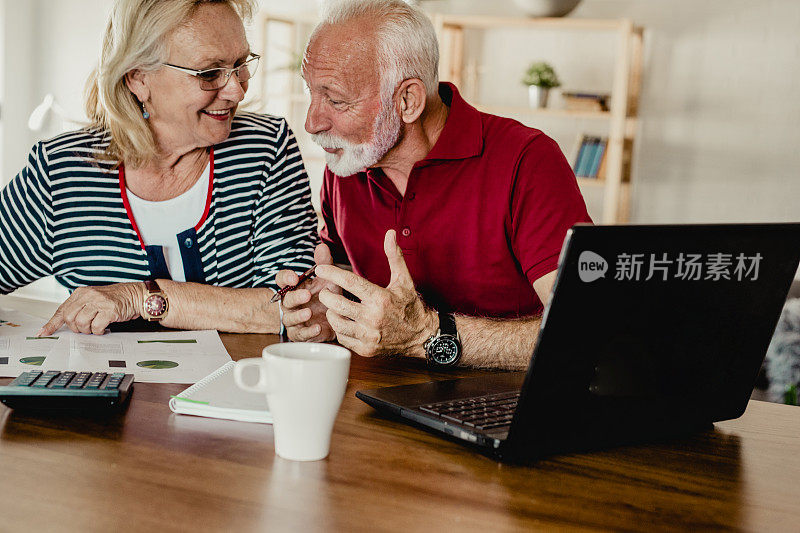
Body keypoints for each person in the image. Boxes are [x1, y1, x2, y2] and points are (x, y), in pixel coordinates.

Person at [277, 0, 592, 370]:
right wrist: (327, 310)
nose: (312, 122)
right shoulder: (347, 164)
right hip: (376, 405)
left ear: (407, 101)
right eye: (311, 92)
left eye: (336, 100)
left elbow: (585, 333)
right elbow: (344, 275)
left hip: (511, 411)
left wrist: (427, 335)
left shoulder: (527, 160)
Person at [0, 0, 317, 336]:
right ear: (138, 78)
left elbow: (299, 308)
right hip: (112, 388)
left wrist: (142, 297)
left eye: (240, 64)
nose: (236, 89)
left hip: (242, 385)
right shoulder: (61, 173)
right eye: (209, 73)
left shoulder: (266, 148)